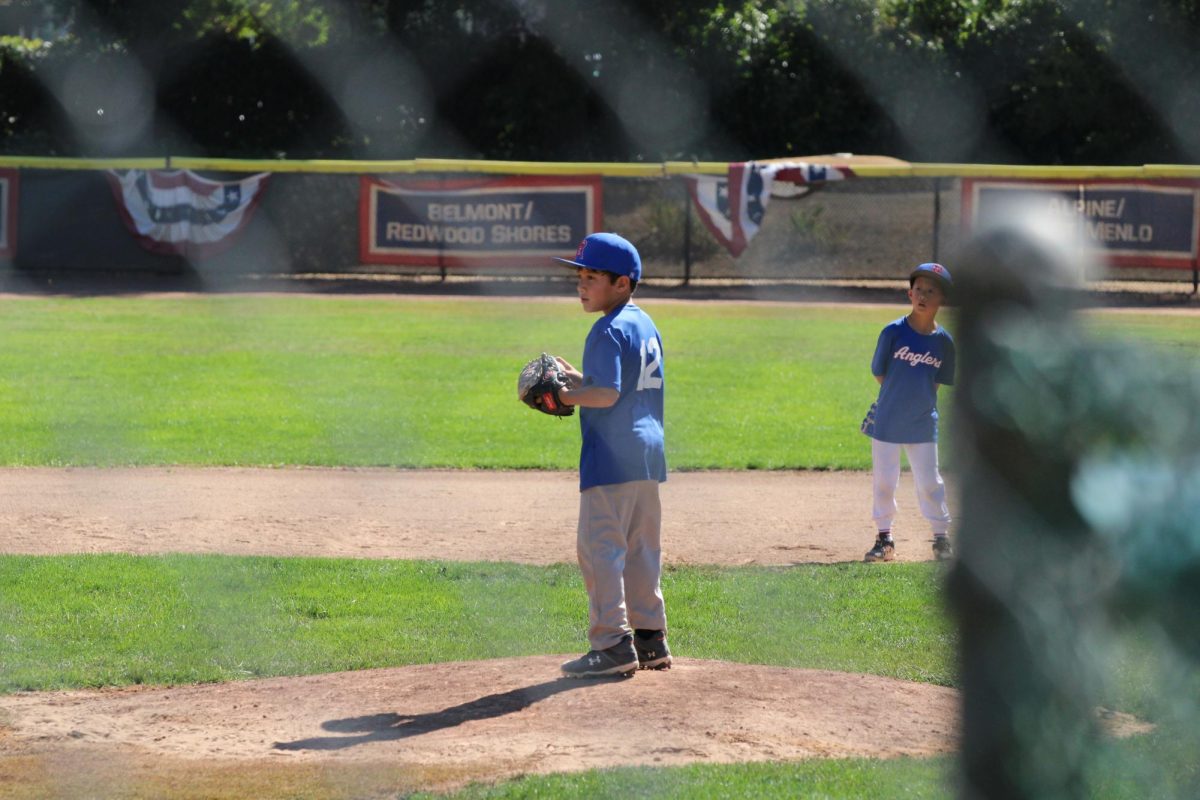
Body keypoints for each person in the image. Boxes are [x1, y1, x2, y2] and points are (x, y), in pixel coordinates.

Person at [551, 232, 670, 678]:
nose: (582, 285)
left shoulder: (605, 328)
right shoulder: (643, 323)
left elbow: (606, 394)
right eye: (579, 276)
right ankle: (650, 639)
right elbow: (622, 384)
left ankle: (612, 644)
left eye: (593, 276)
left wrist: (565, 393)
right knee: (642, 549)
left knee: (600, 549)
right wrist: (582, 379)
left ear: (622, 283)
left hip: (612, 456)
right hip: (648, 452)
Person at [860, 262, 956, 563]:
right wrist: (896, 401)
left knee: (930, 483)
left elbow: (938, 382)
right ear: (909, 294)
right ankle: (884, 538)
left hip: (923, 423)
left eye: (931, 291)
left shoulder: (944, 343)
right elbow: (879, 373)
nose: (923, 296)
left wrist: (915, 404)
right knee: (885, 481)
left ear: (942, 299)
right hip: (888, 420)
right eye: (918, 290)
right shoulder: (893, 332)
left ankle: (941, 538)